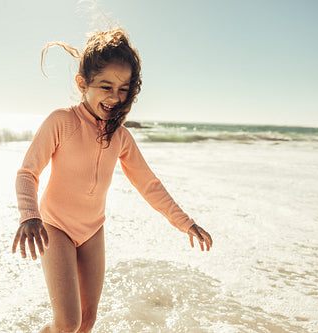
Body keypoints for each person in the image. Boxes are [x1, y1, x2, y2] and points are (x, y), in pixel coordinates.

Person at [12, 27, 212, 333]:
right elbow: (28, 172)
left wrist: (185, 222)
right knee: (67, 322)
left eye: (123, 88)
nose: (115, 97)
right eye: (106, 86)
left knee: (87, 321)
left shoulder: (120, 137)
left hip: (92, 230)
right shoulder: (62, 122)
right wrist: (30, 216)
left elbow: (149, 184)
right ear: (82, 83)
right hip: (55, 225)